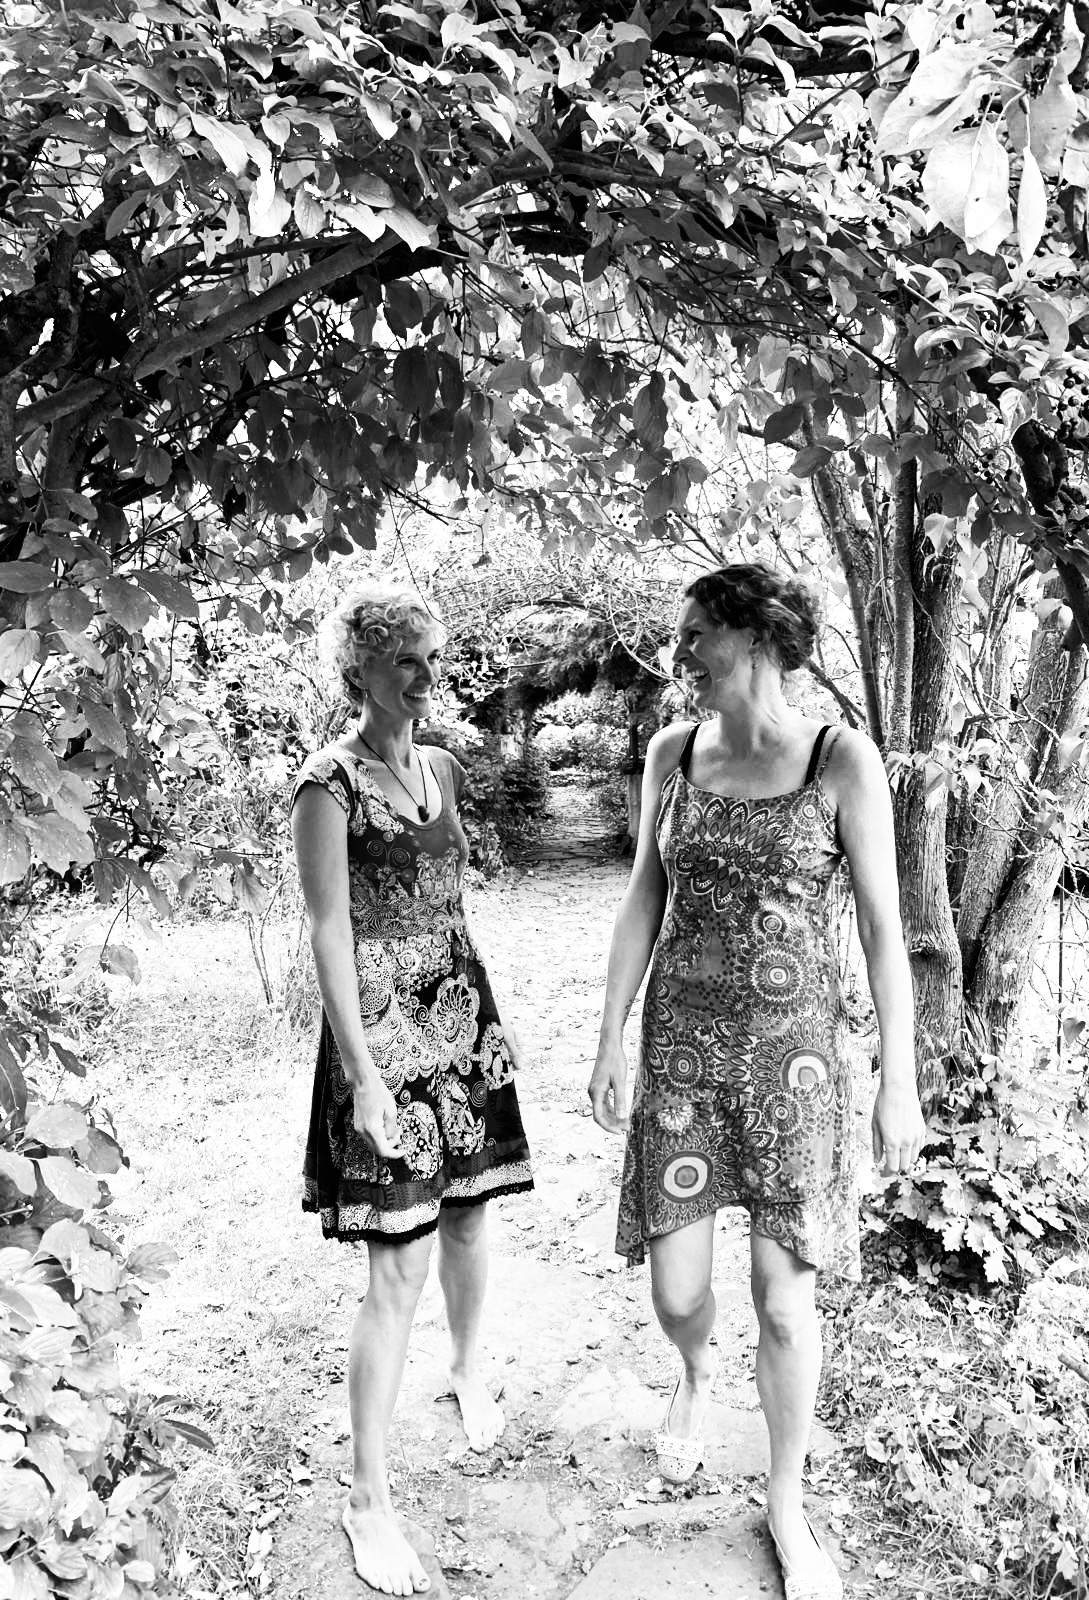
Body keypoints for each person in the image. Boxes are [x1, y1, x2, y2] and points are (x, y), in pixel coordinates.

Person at [589, 563, 924, 1600]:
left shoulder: (840, 758)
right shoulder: (671, 752)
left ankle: (785, 1501)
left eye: (699, 634)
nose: (682, 652)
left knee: (785, 1303)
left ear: (759, 638)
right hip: (683, 1053)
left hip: (796, 1063)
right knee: (677, 1289)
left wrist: (899, 1079)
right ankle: (696, 1371)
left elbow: (883, 930)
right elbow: (644, 896)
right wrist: (610, 1035)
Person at [291, 582, 533, 1598]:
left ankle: (468, 1370)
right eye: (405, 660)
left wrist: (482, 1018)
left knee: (472, 1215)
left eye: (433, 657)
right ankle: (367, 1498)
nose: (426, 677)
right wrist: (361, 1075)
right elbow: (329, 930)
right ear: (359, 670)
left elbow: (452, 897)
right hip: (383, 1032)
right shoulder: (327, 784)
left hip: (460, 1015)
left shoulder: (440, 766)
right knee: (397, 1262)